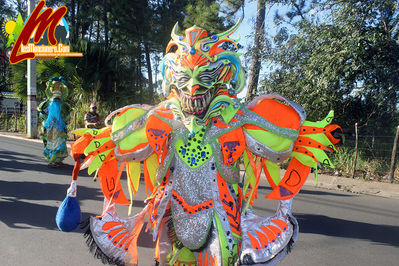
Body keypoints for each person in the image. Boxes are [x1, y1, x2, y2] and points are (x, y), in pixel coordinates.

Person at [60, 20, 341, 265]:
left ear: (221, 75)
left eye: (204, 77)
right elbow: (117, 142)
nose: (193, 87)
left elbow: (293, 140)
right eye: (185, 78)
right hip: (172, 212)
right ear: (173, 77)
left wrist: (316, 136)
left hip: (223, 217)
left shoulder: (238, 118)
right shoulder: (159, 118)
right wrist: (94, 143)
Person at [38, 76, 71, 167]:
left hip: (59, 126)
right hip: (51, 126)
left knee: (59, 143)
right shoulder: (50, 103)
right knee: (52, 143)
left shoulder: (62, 104)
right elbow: (43, 113)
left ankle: (58, 159)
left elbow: (67, 115)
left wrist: (66, 119)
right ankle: (53, 160)